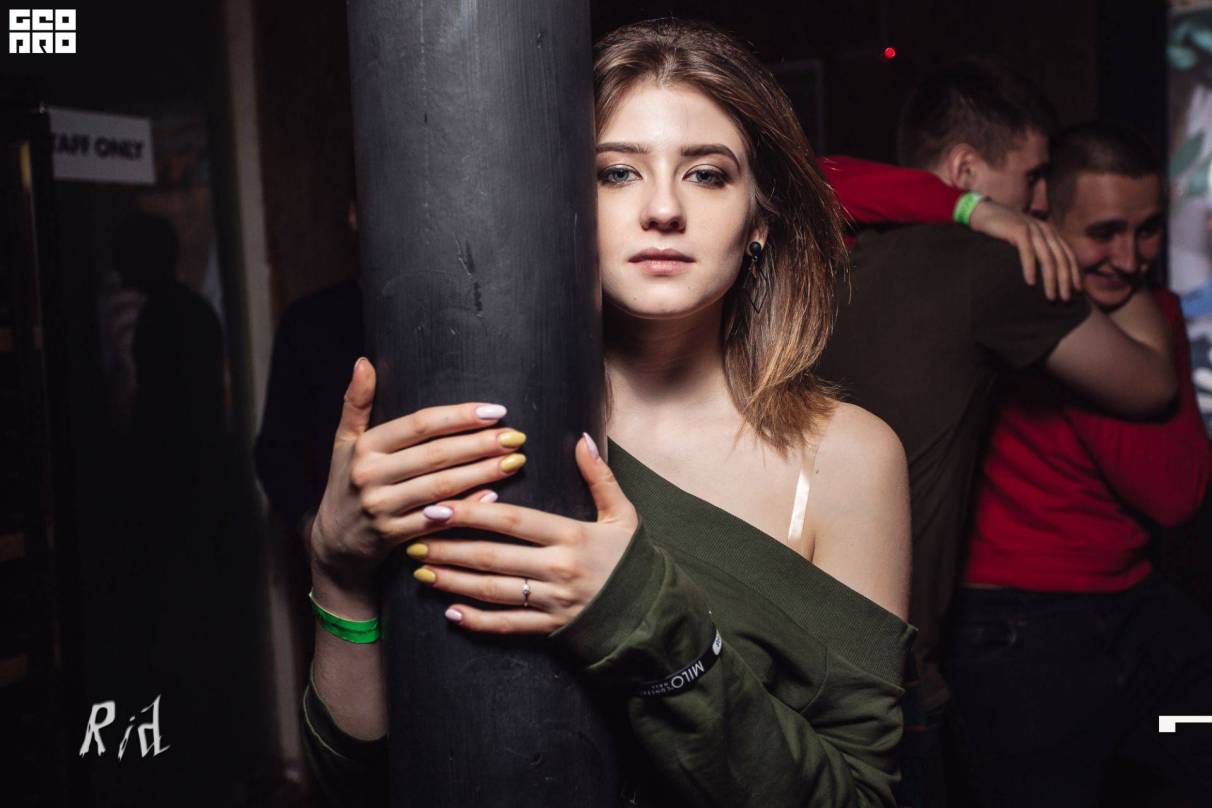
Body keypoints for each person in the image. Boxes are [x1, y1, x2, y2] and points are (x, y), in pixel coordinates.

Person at [300, 18, 915, 808]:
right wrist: (339, 574)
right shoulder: (483, 428)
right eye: (617, 173)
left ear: (759, 220)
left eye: (707, 175)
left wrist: (642, 617)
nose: (663, 209)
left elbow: (856, 797)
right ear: (561, 197)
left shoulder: (847, 460)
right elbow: (360, 787)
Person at [815, 59, 1177, 806]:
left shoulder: (837, 245)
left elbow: (809, 175)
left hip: (794, 641)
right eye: (1034, 178)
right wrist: (1137, 286)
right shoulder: (989, 265)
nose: (1042, 203)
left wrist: (967, 208)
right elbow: (1149, 387)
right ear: (963, 169)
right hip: (902, 666)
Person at [946, 123, 1212, 807]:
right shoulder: (1010, 305)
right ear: (1045, 222)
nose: (1129, 258)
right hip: (1019, 632)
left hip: (1137, 615)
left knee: (1192, 746)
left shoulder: (1154, 310)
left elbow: (1176, 493)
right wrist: (976, 211)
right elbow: (837, 182)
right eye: (1104, 233)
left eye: (1148, 231)